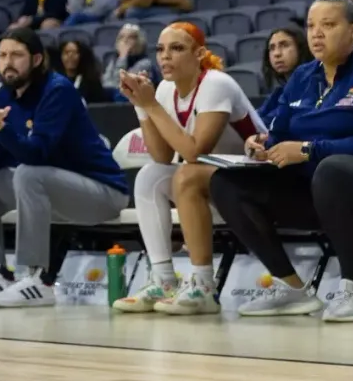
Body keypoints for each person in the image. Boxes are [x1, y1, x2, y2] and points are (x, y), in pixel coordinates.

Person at [0, 28, 129, 307]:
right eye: (2, 55)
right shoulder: (6, 95)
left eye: (17, 55)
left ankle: (36, 279)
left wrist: (0, 128)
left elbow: (37, 154)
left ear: (36, 59)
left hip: (100, 192)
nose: (8, 62)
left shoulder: (57, 90)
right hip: (53, 191)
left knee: (28, 174)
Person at [211, 0, 353, 320]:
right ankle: (291, 288)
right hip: (312, 193)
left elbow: (315, 150)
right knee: (226, 183)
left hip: (346, 184)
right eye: (311, 26)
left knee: (331, 170)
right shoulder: (303, 76)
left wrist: (309, 149)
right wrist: (262, 144)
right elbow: (279, 130)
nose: (316, 34)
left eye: (329, 25)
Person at [112, 23, 266, 315]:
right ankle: (163, 279)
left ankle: (203, 286)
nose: (165, 56)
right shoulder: (167, 89)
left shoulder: (216, 83)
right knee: (149, 176)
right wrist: (141, 105)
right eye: (160, 49)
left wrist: (152, 104)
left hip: (255, 179)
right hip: (213, 181)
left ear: (200, 54)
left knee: (186, 171)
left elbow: (195, 152)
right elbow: (160, 155)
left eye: (177, 48)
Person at [258, 26, 309, 125]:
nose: (277, 54)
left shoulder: (314, 88)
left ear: (301, 49)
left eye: (284, 45)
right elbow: (257, 120)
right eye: (272, 48)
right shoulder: (278, 93)